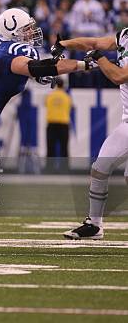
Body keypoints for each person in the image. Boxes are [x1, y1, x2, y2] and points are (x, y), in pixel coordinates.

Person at [0, 8, 94, 237]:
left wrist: (37, 72)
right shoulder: (12, 53)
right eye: (25, 29)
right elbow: (37, 68)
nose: (31, 32)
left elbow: (27, 70)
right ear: (12, 32)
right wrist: (82, 65)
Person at [62, 27, 128, 240]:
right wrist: (65, 44)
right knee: (99, 169)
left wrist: (99, 58)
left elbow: (119, 76)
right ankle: (95, 225)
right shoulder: (125, 35)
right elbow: (95, 42)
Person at [45, 77, 71, 158]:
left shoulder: (50, 96)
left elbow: (45, 104)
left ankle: (49, 168)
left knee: (50, 148)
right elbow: (69, 107)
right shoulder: (67, 97)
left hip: (52, 124)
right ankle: (65, 169)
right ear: (63, 85)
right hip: (63, 124)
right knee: (64, 149)